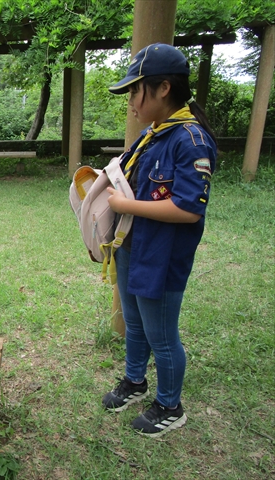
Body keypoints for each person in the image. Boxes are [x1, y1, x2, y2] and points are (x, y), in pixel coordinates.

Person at [101, 44, 217, 437]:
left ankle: (170, 404)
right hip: (134, 246)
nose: (132, 101)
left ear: (163, 88)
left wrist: (125, 204)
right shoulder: (154, 135)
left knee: (162, 336)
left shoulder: (191, 140)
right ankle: (135, 381)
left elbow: (188, 208)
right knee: (133, 323)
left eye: (136, 91)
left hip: (163, 257)